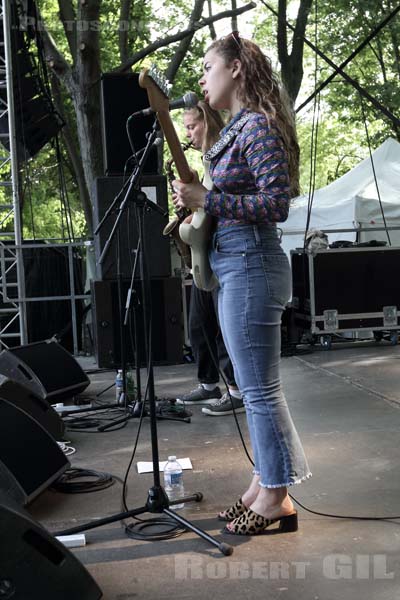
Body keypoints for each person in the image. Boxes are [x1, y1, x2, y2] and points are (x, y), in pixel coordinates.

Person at [172, 33, 311, 535]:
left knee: (259, 390)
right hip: (237, 263)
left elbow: (276, 204)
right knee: (255, 391)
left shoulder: (257, 127)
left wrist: (208, 200)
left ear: (235, 69)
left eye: (209, 66)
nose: (203, 77)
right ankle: (266, 484)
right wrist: (199, 198)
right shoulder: (238, 129)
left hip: (252, 264)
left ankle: (274, 496)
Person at [176, 102, 244, 416]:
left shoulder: (223, 152)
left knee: (221, 325)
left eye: (192, 126)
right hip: (209, 249)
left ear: (208, 121)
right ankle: (208, 384)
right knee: (199, 321)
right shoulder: (207, 157)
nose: (188, 133)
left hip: (225, 250)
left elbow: (220, 200)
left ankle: (236, 390)